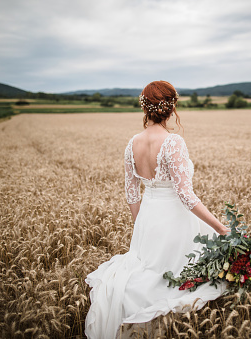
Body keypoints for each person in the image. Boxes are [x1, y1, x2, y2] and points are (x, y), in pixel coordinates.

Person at [85, 80, 229, 338]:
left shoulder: (132, 144)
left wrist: (142, 226)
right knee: (178, 276)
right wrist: (220, 228)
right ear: (171, 108)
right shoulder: (173, 142)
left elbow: (131, 193)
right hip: (174, 220)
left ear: (145, 107)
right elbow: (185, 195)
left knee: (150, 271)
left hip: (148, 218)